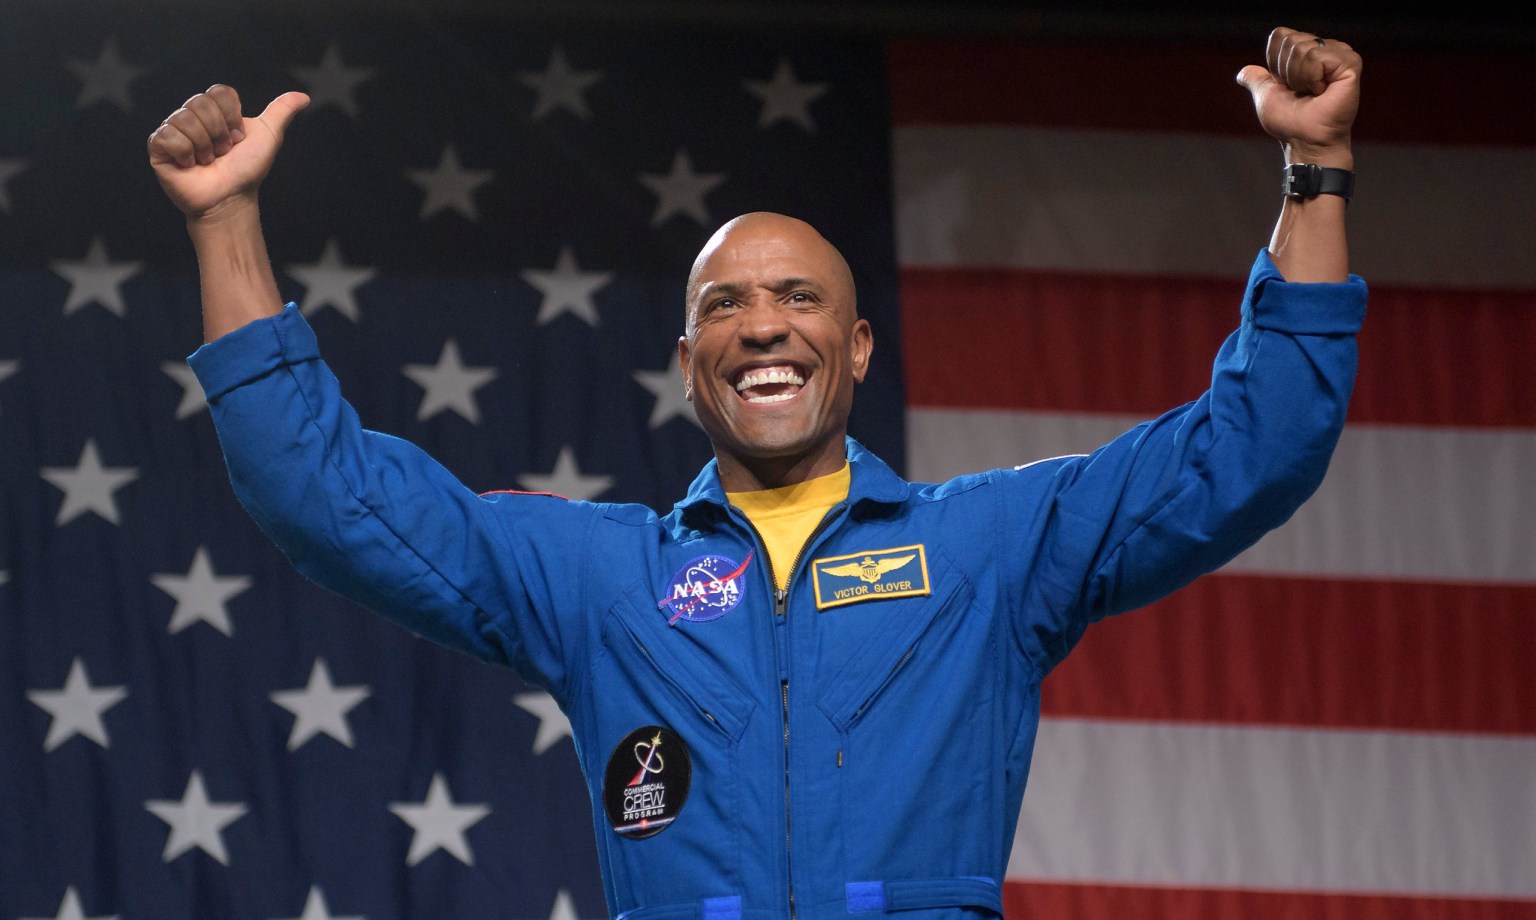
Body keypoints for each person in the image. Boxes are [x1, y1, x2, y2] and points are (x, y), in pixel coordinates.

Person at [149, 26, 1365, 920]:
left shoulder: (992, 548)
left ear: (856, 344)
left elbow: (1251, 446)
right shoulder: (600, 580)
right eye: (724, 305)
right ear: (689, 361)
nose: (764, 325)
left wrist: (1314, 176)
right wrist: (223, 222)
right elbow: (331, 497)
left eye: (799, 298)